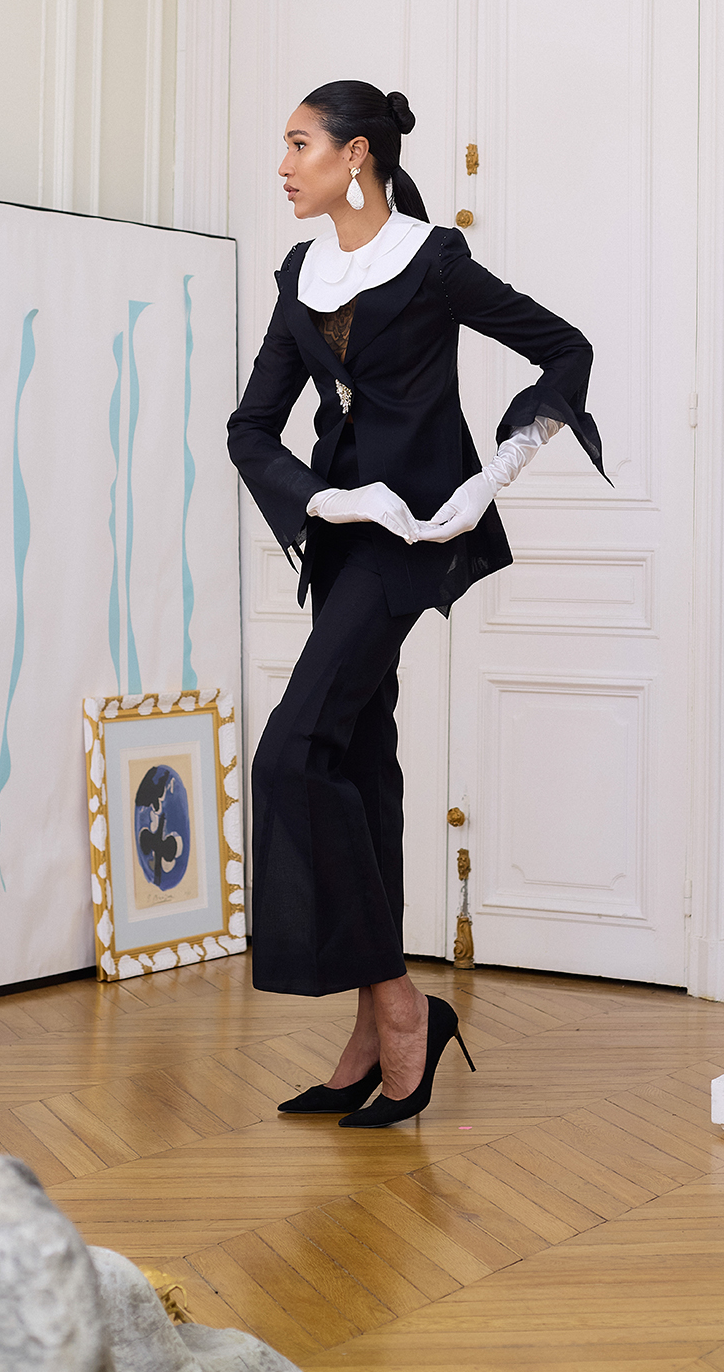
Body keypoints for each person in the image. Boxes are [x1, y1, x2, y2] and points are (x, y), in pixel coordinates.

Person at [227, 80, 604, 1127]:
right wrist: (327, 498)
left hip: (412, 546)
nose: (283, 165)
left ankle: (399, 1004)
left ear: (355, 155)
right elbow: (251, 426)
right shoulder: (301, 273)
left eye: (299, 144)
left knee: (291, 754)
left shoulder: (433, 261)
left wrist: (489, 482)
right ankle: (373, 1030)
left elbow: (564, 348)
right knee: (354, 766)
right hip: (341, 543)